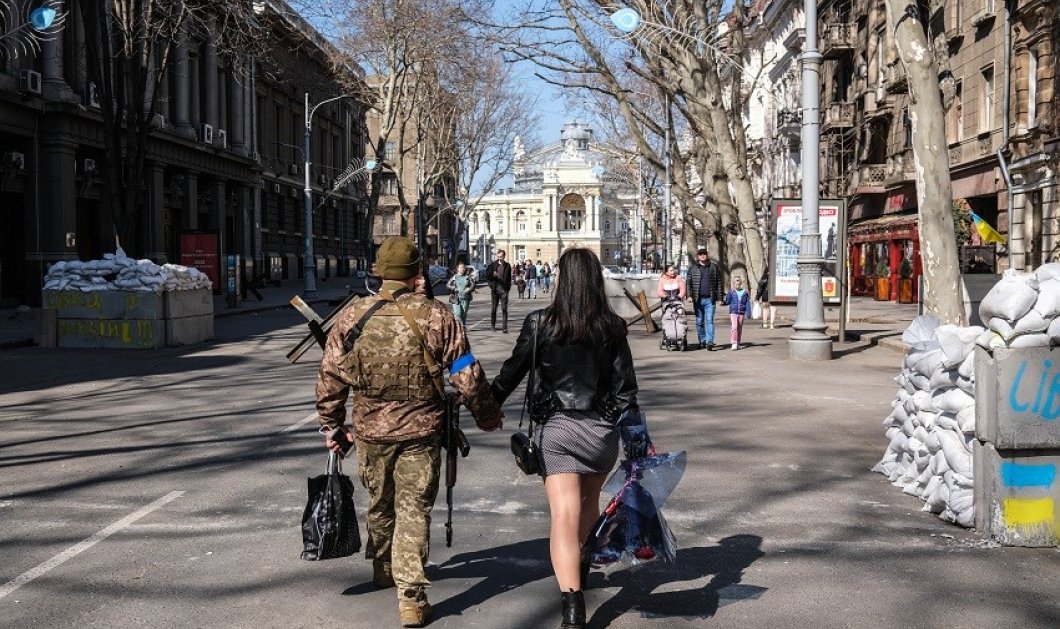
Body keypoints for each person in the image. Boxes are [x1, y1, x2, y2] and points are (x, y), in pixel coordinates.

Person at [316, 237, 504, 628]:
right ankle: (412, 599)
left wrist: (332, 425)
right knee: (414, 510)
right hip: (422, 430)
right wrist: (486, 414)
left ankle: (384, 566)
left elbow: (330, 377)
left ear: (378, 272)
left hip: (370, 431)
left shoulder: (352, 317)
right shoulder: (437, 316)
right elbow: (466, 372)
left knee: (380, 501)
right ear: (417, 273)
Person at [490, 247, 643, 629]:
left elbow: (512, 372)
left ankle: (573, 607)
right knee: (588, 505)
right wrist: (637, 440)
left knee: (564, 514)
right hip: (600, 432)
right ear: (594, 281)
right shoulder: (611, 327)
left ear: (562, 278)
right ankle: (583, 564)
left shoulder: (539, 322)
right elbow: (626, 390)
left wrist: (484, 407)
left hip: (556, 430)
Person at [686, 248, 724, 350]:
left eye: (704, 254)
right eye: (700, 254)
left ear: (707, 255)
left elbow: (719, 283)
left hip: (710, 299)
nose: (702, 255)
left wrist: (720, 298)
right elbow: (688, 283)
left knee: (709, 320)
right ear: (697, 256)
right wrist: (689, 296)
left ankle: (709, 342)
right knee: (699, 321)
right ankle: (702, 341)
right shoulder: (693, 268)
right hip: (697, 299)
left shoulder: (714, 267)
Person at [486, 249, 513, 332]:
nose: (499, 258)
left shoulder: (507, 265)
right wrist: (492, 277)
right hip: (495, 290)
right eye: (498, 257)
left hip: (504, 290)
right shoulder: (493, 265)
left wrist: (508, 289)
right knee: (494, 309)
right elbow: (487, 276)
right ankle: (493, 326)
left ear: (504, 256)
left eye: (501, 257)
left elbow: (508, 278)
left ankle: (504, 328)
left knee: (504, 309)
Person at [723, 276, 752, 350]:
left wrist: (748, 313)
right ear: (733, 283)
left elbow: (747, 303)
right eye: (736, 281)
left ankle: (738, 343)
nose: (737, 283)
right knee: (734, 327)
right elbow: (728, 301)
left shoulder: (745, 292)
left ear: (741, 283)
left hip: (741, 313)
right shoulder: (731, 292)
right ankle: (734, 343)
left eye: (738, 281)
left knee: (739, 328)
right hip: (733, 312)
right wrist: (722, 301)